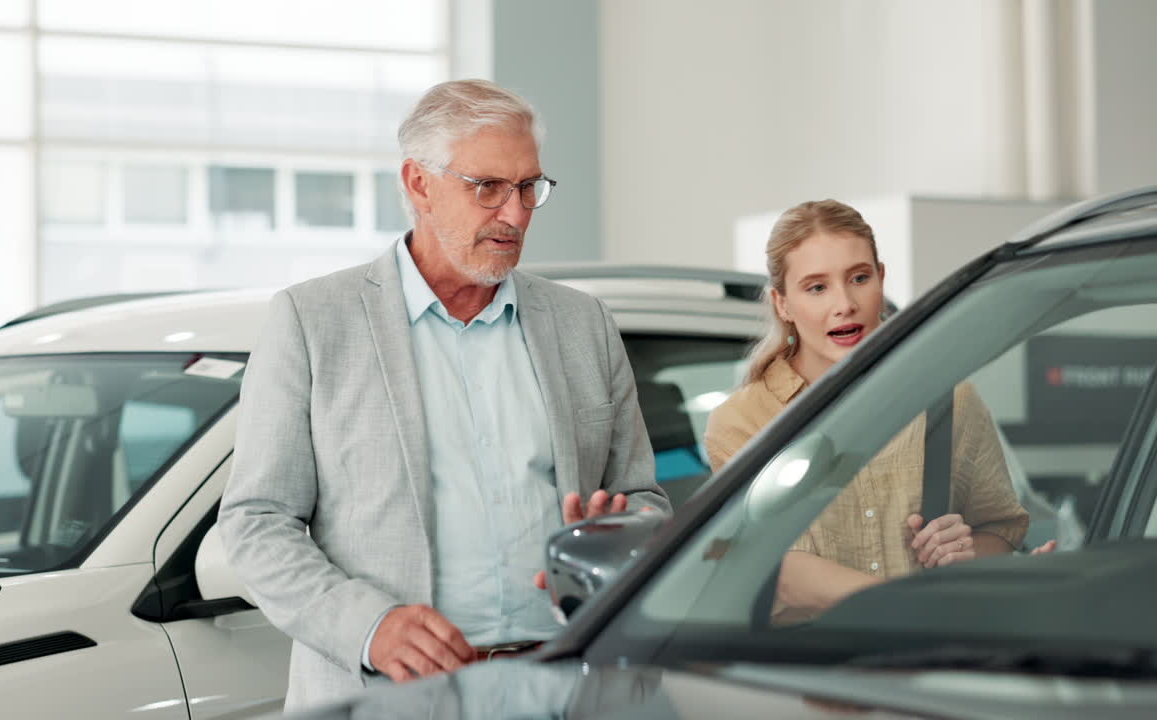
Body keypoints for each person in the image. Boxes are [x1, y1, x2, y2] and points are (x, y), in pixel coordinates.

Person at [218, 78, 670, 711]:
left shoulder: (582, 324)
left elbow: (643, 497)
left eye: (528, 188)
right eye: (487, 187)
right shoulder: (314, 320)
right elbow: (256, 519)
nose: (515, 214)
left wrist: (619, 538)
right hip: (385, 696)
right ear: (419, 183)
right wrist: (368, 627)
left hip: (565, 689)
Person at [703, 199, 1052, 620]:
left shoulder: (948, 398)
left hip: (929, 667)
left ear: (881, 279)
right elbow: (780, 570)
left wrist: (964, 553)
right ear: (782, 304)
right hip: (804, 673)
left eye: (859, 278)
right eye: (817, 287)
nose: (845, 303)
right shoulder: (742, 422)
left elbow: (1000, 529)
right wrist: (908, 602)